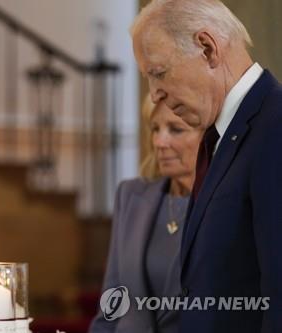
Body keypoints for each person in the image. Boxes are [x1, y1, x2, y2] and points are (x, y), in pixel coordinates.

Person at [131, 1, 282, 332]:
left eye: (158, 73)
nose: (154, 95)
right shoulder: (220, 137)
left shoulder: (275, 127)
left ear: (208, 48)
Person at [89, 96, 202, 333]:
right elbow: (111, 307)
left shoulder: (225, 207)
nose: (159, 141)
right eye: (155, 129)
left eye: (175, 129)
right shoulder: (130, 196)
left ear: (208, 137)